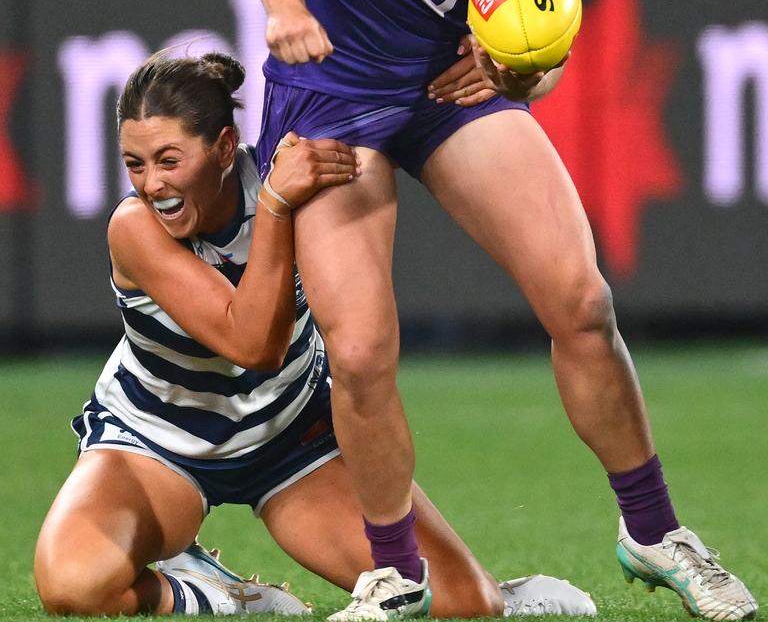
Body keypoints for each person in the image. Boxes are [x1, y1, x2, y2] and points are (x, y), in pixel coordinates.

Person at [225, 0, 759, 622]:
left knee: (583, 300)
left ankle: (654, 531)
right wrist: (284, 7)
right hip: (334, 90)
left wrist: (515, 72)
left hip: (443, 90)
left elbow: (543, 45)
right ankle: (394, 572)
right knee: (361, 350)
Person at [33, 50, 598, 619]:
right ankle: (214, 595)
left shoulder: (291, 176)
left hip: (292, 435)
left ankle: (503, 589)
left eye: (168, 160)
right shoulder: (135, 228)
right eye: (135, 163)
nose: (153, 184)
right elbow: (253, 344)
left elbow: (397, 135)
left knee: (467, 605)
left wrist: (501, 72)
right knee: (72, 585)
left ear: (225, 148)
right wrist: (278, 206)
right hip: (156, 440)